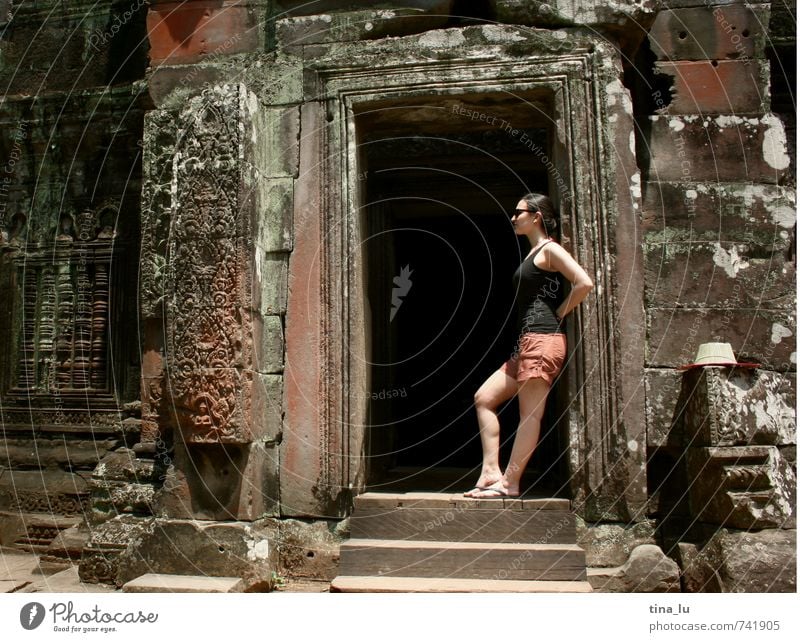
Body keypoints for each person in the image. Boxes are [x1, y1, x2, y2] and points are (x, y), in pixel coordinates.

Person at [464, 193, 593, 498]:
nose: (513, 217)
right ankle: (490, 473)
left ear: (536, 216)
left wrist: (560, 312)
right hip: (527, 344)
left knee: (529, 415)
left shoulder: (550, 250)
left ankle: (510, 483)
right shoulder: (532, 252)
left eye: (518, 212)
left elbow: (584, 282)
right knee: (484, 398)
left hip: (544, 340)